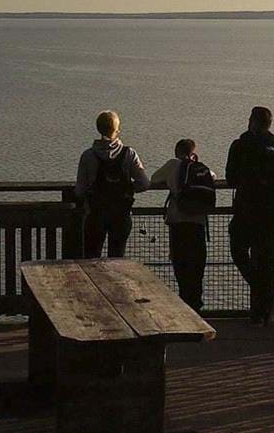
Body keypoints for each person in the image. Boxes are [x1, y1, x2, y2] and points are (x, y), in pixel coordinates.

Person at [225, 106, 274, 325]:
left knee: (238, 251)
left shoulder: (240, 145)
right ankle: (264, 309)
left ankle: (261, 298)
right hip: (270, 210)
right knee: (266, 259)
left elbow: (230, 177)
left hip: (245, 209)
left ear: (252, 121)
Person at [146, 138, 212, 311]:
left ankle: (185, 305)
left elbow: (154, 178)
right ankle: (196, 305)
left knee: (181, 267)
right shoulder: (200, 167)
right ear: (193, 153)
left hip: (178, 223)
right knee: (197, 267)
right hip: (198, 223)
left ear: (177, 152)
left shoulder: (173, 165)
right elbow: (212, 177)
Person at [73, 110, 148, 258]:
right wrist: (128, 188)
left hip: (96, 214)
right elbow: (144, 183)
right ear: (117, 130)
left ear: (98, 129)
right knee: (117, 258)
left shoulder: (88, 155)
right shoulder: (129, 154)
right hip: (121, 214)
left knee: (91, 258)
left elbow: (80, 190)